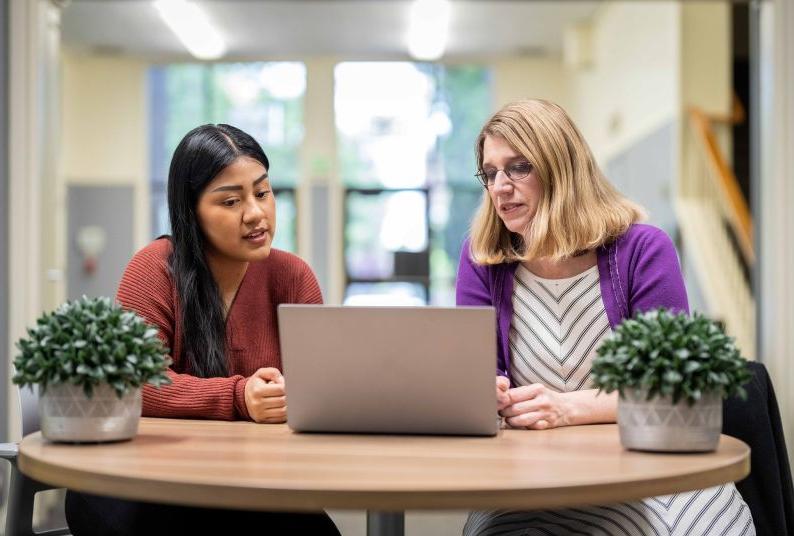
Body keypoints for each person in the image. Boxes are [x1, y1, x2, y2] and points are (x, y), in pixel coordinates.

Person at [456, 99, 754, 535]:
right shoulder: (483, 259)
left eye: (519, 167)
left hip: (650, 465)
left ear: (561, 167)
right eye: (490, 172)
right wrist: (487, 393)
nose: (500, 186)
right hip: (529, 476)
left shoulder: (642, 250)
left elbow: (665, 387)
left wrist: (565, 408)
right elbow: (476, 380)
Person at [64, 124, 340, 535]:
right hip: (138, 481)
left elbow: (321, 390)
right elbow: (132, 383)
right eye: (230, 201)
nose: (255, 213)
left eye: (262, 193)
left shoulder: (292, 277)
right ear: (189, 211)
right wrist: (239, 396)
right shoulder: (154, 268)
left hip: (249, 480)